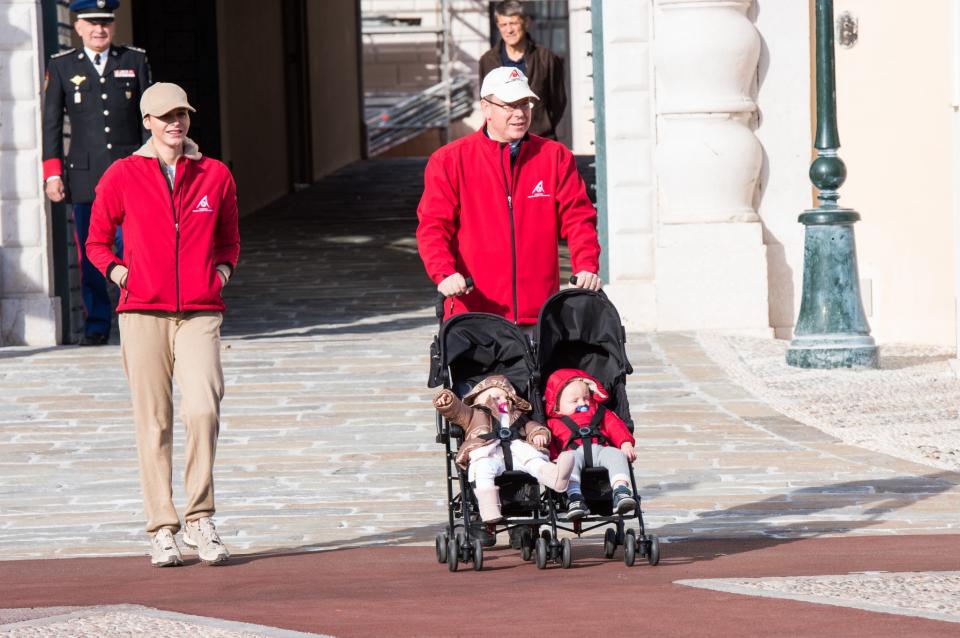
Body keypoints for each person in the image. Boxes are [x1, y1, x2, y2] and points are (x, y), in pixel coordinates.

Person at [86, 82, 240, 567]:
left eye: (182, 115)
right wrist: (120, 273)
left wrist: (221, 274)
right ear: (148, 122)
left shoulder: (214, 175)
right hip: (142, 313)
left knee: (202, 410)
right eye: (165, 116)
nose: (176, 123)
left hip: (199, 311)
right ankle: (162, 527)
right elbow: (94, 241)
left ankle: (200, 518)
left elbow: (230, 240)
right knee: (152, 423)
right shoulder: (122, 174)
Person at [416, 66, 600, 328]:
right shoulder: (449, 161)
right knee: (493, 373)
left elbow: (578, 218)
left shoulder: (555, 157)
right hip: (474, 313)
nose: (519, 113)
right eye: (509, 105)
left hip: (541, 314)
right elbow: (433, 227)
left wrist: (586, 265)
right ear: (486, 107)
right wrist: (444, 272)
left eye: (525, 104)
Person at [42, 0, 152, 345]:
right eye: (91, 22)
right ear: (78, 27)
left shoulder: (133, 60)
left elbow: (148, 120)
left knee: (134, 249)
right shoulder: (62, 66)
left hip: (131, 175)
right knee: (93, 253)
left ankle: (137, 316)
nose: (99, 29)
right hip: (86, 179)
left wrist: (157, 168)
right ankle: (97, 323)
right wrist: (52, 174)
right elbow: (51, 125)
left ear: (114, 25)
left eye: (105, 22)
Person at [433, 375, 575, 523]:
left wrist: (538, 433)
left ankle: (555, 477)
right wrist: (448, 401)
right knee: (482, 468)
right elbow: (457, 411)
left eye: (503, 397)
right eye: (494, 397)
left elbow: (530, 426)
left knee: (534, 459)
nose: (500, 401)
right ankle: (489, 508)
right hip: (489, 452)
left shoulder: (517, 415)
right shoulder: (474, 414)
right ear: (480, 399)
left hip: (517, 451)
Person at [544, 368, 638, 520]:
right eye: (575, 401)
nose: (582, 403)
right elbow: (552, 443)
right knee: (567, 460)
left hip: (601, 450)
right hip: (573, 453)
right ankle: (574, 497)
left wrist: (625, 443)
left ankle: (620, 490)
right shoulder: (554, 423)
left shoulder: (600, 412)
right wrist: (554, 458)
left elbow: (616, 427)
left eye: (586, 398)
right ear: (557, 405)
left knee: (616, 455)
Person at [479, 0, 567, 140]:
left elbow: (558, 101)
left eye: (513, 23)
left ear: (526, 22)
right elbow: (487, 99)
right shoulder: (487, 60)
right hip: (500, 142)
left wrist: (541, 126)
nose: (509, 30)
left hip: (539, 140)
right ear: (498, 26)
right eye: (503, 24)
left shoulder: (547, 58)